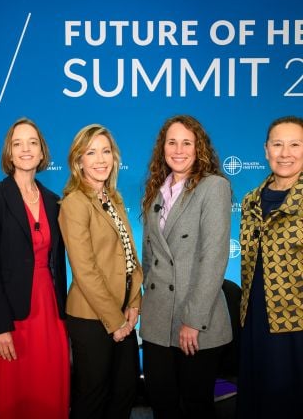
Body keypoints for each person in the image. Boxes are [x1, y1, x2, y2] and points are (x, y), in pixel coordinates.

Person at [0, 118, 69, 418]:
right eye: (17, 143)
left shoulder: (54, 201)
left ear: (41, 153)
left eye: (32, 143)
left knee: (45, 389)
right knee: (5, 398)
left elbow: (58, 264)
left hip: (47, 311)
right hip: (5, 314)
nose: (25, 149)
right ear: (9, 154)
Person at [140, 114, 232, 419]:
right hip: (156, 321)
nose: (178, 150)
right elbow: (149, 255)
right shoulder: (156, 190)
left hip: (196, 321)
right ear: (162, 148)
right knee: (162, 404)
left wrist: (193, 321)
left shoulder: (213, 186)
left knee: (196, 406)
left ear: (199, 148)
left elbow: (214, 257)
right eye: (172, 142)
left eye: (187, 143)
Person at [58, 124, 143, 419]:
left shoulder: (113, 198)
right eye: (91, 152)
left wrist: (134, 302)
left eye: (105, 151)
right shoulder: (74, 203)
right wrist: (115, 320)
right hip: (92, 317)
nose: (100, 159)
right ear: (78, 161)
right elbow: (85, 270)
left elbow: (129, 257)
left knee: (125, 390)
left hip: (122, 312)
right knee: (93, 398)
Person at [237, 116, 303, 419]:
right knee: (259, 396)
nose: (285, 153)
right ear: (266, 150)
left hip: (297, 324)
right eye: (278, 144)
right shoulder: (251, 200)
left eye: (295, 145)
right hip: (257, 319)